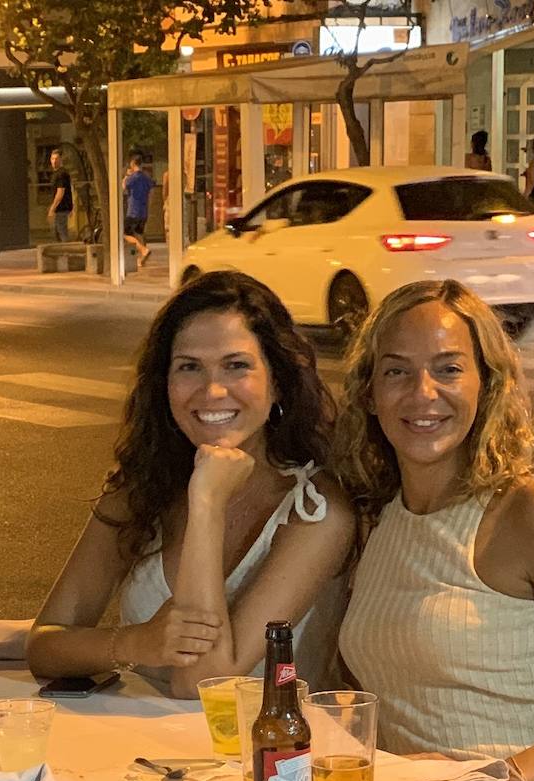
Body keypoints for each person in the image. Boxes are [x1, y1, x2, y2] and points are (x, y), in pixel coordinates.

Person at [332, 277, 534, 781]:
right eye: (397, 371)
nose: (423, 392)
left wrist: (503, 778)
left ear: (488, 383)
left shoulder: (532, 512)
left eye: (449, 368)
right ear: (370, 392)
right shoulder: (378, 521)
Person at [28, 269, 355, 699]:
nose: (212, 390)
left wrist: (207, 502)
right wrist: (134, 643)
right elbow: (45, 643)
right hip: (138, 750)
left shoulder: (317, 511)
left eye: (236, 366)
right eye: (189, 368)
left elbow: (202, 684)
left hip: (268, 759)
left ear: (277, 383)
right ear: (164, 384)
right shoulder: (143, 487)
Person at [122, 155, 155, 264]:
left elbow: (124, 186)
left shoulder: (132, 177)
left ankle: (143, 250)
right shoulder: (146, 177)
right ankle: (142, 259)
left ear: (132, 163)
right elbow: (151, 192)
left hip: (133, 210)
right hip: (143, 210)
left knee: (124, 233)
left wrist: (126, 176)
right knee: (139, 233)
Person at [47, 148, 73, 242]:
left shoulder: (61, 174)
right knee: (58, 232)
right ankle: (64, 253)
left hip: (61, 208)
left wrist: (53, 208)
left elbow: (60, 192)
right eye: (52, 159)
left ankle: (66, 253)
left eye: (56, 159)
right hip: (61, 208)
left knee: (61, 231)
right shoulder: (57, 173)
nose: (54, 161)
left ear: (61, 159)